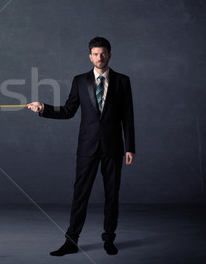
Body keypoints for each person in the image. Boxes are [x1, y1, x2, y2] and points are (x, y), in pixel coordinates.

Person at [27, 37, 135, 256]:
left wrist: (130, 147)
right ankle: (71, 242)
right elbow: (68, 111)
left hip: (113, 147)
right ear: (90, 56)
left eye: (103, 53)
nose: (99, 58)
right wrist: (43, 108)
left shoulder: (123, 81)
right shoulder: (80, 80)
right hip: (87, 147)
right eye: (95, 54)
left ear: (110, 55)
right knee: (80, 194)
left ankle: (109, 239)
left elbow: (128, 117)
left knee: (112, 194)